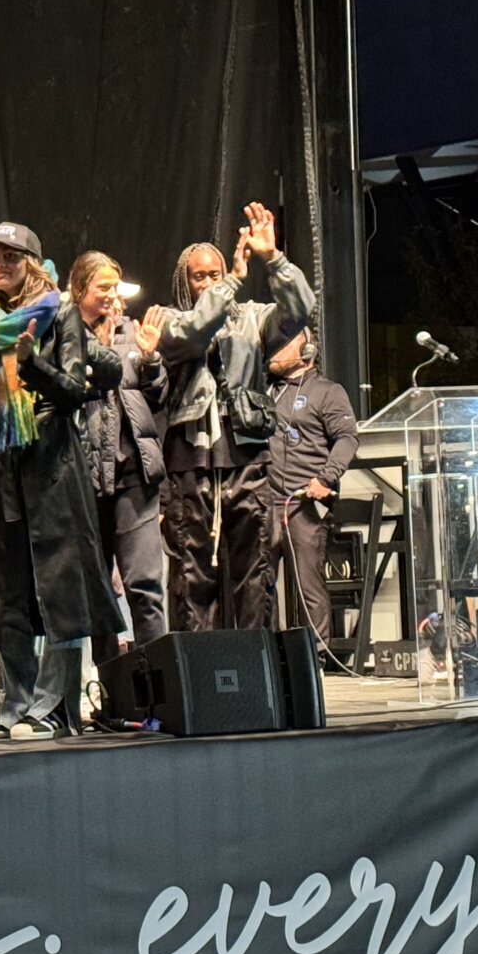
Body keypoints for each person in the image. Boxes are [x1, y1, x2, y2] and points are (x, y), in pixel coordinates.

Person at [0, 222, 122, 739]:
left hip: (51, 469)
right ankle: (16, 704)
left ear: (32, 261)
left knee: (62, 594)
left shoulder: (61, 311)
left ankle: (51, 709)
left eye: (11, 256)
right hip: (0, 469)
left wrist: (30, 361)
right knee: (9, 594)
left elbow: (73, 389)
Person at [158, 202, 315, 632]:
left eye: (215, 273)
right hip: (191, 461)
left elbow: (302, 309)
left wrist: (273, 258)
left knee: (255, 570)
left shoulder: (254, 318)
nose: (209, 282)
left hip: (247, 455)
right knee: (193, 576)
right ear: (184, 282)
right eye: (200, 276)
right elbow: (193, 336)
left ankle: (256, 671)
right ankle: (200, 676)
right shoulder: (170, 320)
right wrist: (229, 283)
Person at [71, 253, 169, 665]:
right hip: (85, 482)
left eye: (116, 287)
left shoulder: (135, 333)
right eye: (102, 288)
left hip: (134, 478)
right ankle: (111, 689)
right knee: (97, 593)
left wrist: (150, 361)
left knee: (144, 584)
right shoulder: (67, 336)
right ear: (79, 292)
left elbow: (156, 397)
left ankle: (159, 687)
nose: (112, 296)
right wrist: (100, 356)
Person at [268, 328, 359, 652]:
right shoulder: (265, 390)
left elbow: (347, 439)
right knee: (260, 588)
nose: (276, 349)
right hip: (264, 502)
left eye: (285, 342)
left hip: (302, 503)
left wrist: (325, 478)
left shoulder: (327, 391)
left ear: (308, 349)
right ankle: (269, 655)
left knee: (310, 586)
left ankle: (317, 657)